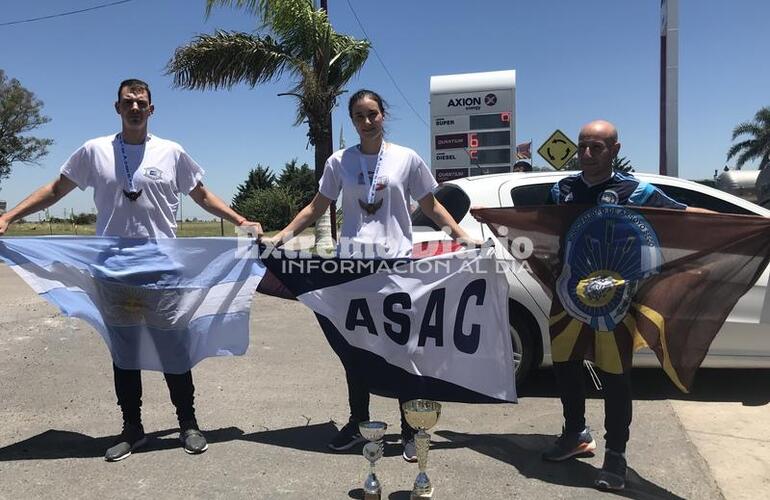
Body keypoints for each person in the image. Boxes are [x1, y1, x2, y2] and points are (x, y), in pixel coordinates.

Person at [0, 79, 263, 462]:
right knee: (124, 355)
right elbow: (57, 190)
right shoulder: (94, 151)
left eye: (141, 102)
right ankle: (132, 429)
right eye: (128, 102)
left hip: (164, 272)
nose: (135, 108)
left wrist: (241, 220)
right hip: (113, 273)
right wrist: (8, 216)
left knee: (174, 350)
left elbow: (201, 194)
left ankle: (188, 423)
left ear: (152, 109)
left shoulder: (171, 153)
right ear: (117, 107)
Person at [262, 89, 479, 462]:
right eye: (360, 116)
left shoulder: (406, 159)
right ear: (353, 120)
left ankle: (410, 429)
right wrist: (281, 237)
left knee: (404, 348)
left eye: (373, 114)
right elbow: (317, 206)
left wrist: (463, 237)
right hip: (352, 269)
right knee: (355, 347)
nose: (367, 121)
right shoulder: (338, 162)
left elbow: (431, 204)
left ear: (383, 116)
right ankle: (359, 423)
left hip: (396, 268)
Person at [541, 119, 688, 491]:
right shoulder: (562, 190)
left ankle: (616, 455)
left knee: (614, 378)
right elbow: (541, 231)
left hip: (616, 304)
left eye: (597, 147)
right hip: (568, 297)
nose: (587, 154)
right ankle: (575, 434)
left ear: (615, 150)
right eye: (583, 146)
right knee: (565, 366)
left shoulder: (638, 192)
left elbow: (684, 222)